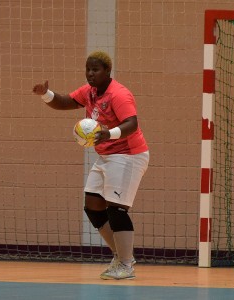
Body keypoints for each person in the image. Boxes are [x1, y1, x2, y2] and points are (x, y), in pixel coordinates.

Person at [32, 51, 149, 280]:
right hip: (106, 155)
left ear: (107, 71)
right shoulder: (90, 92)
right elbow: (66, 102)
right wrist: (46, 94)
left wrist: (109, 134)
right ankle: (119, 255)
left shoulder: (119, 94)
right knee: (93, 206)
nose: (90, 74)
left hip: (128, 155)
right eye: (88, 69)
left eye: (95, 70)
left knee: (116, 208)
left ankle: (126, 265)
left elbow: (132, 124)